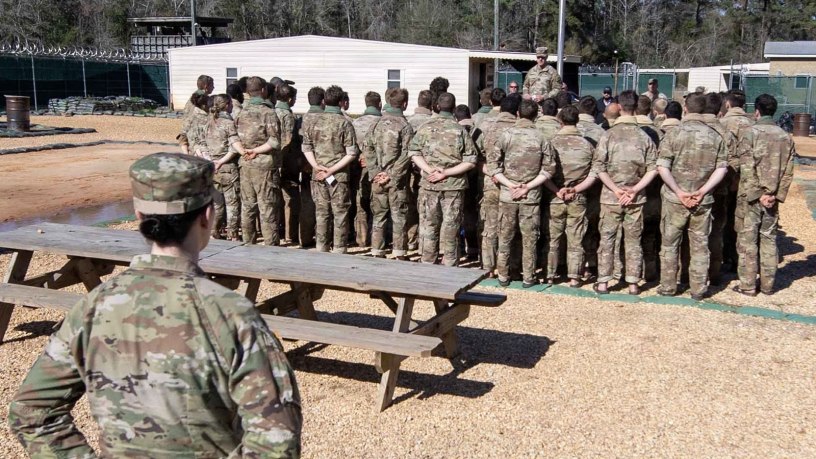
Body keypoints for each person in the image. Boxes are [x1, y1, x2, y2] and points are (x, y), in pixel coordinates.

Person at [8, 153, 302, 457]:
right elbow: (278, 439)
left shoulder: (93, 307)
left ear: (139, 217)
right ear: (207, 216)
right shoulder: (231, 313)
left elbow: (31, 413)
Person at [656, 92, 728, 300]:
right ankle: (698, 289)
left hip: (674, 199)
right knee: (700, 245)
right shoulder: (715, 136)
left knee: (670, 244)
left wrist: (679, 191)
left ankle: (668, 286)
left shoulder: (673, 134)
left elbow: (662, 166)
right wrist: (702, 191)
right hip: (702, 201)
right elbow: (721, 169)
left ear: (685, 108)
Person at [592, 90, 658, 295]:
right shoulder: (644, 137)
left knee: (607, 239)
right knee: (633, 240)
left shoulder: (608, 136)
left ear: (619, 107)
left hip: (611, 197)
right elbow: (653, 168)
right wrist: (635, 189)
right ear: (636, 107)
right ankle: (633, 283)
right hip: (635, 198)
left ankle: (603, 281)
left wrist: (615, 189)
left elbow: (599, 167)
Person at [489, 99, 556, 287]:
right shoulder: (542, 137)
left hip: (508, 195)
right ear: (536, 116)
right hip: (531, 196)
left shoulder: (506, 135)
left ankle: (503, 274)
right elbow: (549, 169)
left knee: (505, 236)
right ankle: (528, 277)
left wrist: (510, 185)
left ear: (518, 114)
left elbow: (494, 167)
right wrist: (528, 186)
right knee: (529, 239)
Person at [733, 94, 795, 296]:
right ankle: (768, 286)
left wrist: (758, 194)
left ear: (757, 111)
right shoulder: (786, 137)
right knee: (769, 240)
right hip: (772, 199)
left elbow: (747, 167)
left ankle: (748, 285)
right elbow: (788, 171)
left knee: (748, 241)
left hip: (750, 198)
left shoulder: (750, 133)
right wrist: (774, 195)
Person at [408, 92, 478, 266]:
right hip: (453, 186)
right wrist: (447, 173)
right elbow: (471, 161)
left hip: (430, 184)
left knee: (429, 225)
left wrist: (430, 170)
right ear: (454, 108)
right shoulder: (460, 131)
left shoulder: (424, 128)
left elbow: (414, 153)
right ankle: (450, 263)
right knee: (451, 225)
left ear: (437, 107)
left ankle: (428, 261)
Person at [302, 85, 358, 254]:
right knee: (340, 213)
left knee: (322, 213)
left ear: (325, 101)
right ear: (341, 102)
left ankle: (321, 248)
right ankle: (339, 250)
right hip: (338, 176)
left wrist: (316, 166)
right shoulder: (345, 124)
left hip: (318, 175)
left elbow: (306, 147)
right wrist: (332, 170)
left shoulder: (313, 121)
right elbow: (351, 153)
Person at [546, 105, 596, 287]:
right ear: (577, 121)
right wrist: (576, 189)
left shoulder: (550, 143)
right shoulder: (588, 145)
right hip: (578, 196)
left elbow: (544, 172)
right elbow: (594, 174)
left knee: (553, 237)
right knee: (576, 238)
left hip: (555, 195)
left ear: (559, 120)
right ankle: (574, 276)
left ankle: (550, 274)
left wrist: (556, 190)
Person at [364, 88, 414, 259]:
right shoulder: (405, 126)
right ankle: (399, 252)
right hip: (396, 181)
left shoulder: (376, 124)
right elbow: (408, 153)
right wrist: (391, 174)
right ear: (405, 104)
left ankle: (377, 250)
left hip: (378, 180)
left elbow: (367, 149)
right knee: (399, 217)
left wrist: (375, 172)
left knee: (379, 216)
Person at [235, 76, 282, 246]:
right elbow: (274, 141)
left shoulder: (241, 113)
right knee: (267, 207)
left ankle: (248, 243)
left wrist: (245, 151)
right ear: (263, 91)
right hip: (264, 166)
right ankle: (270, 247)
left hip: (245, 164)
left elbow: (233, 137)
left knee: (248, 207)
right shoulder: (268, 113)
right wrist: (256, 150)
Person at [479, 92, 517, 277]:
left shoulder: (486, 125)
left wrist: (492, 172)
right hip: (514, 185)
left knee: (490, 226)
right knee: (510, 228)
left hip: (491, 182)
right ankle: (507, 268)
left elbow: (476, 156)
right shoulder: (521, 129)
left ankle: (488, 267)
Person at [206, 94, 248, 241]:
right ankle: (233, 234)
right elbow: (234, 147)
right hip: (228, 168)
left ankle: (214, 231)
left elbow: (200, 144)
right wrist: (222, 161)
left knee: (217, 203)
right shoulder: (228, 123)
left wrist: (211, 161)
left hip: (211, 167)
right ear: (228, 104)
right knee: (232, 204)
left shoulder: (208, 122)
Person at [351, 91, 383, 247]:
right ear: (380, 104)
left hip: (359, 169)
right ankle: (378, 240)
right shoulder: (382, 123)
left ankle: (362, 240)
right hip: (378, 169)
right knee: (378, 205)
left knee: (361, 205)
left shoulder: (355, 123)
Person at [406, 89, 435, 251]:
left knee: (411, 207)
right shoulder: (431, 123)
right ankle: (426, 244)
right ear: (432, 104)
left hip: (410, 171)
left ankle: (411, 240)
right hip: (428, 172)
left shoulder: (408, 121)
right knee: (427, 210)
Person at [454, 104, 482, 261]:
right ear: (470, 115)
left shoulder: (453, 131)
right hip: (474, 179)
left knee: (453, 216)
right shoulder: (478, 131)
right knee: (471, 215)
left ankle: (457, 249)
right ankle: (472, 248)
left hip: (454, 178)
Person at [276, 83, 302, 245]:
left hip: (271, 162)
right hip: (286, 164)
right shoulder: (288, 116)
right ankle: (289, 234)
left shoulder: (271, 111)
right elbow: (288, 141)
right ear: (290, 99)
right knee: (290, 200)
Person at [178, 91, 210, 158]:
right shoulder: (209, 119)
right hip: (208, 154)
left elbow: (182, 138)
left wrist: (187, 156)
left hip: (195, 156)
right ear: (204, 105)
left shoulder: (189, 118)